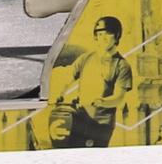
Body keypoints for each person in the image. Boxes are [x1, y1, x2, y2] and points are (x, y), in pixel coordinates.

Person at [51, 14, 133, 147]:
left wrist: (103, 102)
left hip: (101, 124)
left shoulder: (121, 65)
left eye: (108, 34)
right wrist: (59, 94)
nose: (103, 38)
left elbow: (119, 97)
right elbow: (68, 78)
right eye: (100, 35)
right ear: (95, 37)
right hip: (80, 119)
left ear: (117, 36)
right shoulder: (85, 59)